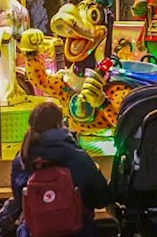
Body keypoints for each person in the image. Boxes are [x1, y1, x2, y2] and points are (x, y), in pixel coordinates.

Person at [12, 100, 111, 237]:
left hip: (34, 232)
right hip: (78, 231)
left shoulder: (22, 158)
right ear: (60, 124)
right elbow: (102, 199)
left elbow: (19, 199)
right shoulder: (79, 157)